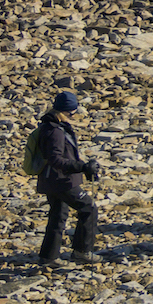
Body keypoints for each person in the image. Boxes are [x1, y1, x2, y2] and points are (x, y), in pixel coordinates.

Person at [29, 90, 101, 267]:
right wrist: (82, 167)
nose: (74, 115)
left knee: (58, 216)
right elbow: (56, 160)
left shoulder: (51, 126)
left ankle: (48, 257)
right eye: (73, 111)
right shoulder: (55, 131)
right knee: (88, 208)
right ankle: (82, 252)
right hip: (61, 181)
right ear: (67, 111)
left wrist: (83, 169)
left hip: (51, 181)